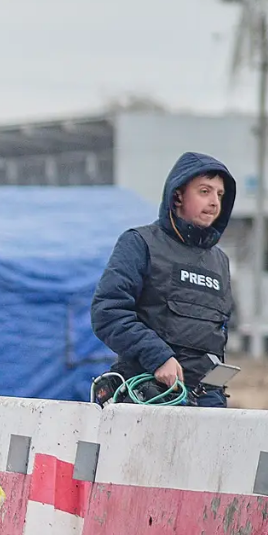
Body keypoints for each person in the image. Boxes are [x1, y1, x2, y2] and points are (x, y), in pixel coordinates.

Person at [91, 153, 236, 408]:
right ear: (178, 195)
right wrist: (157, 357)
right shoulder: (139, 243)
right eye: (204, 191)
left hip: (208, 400)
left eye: (220, 195)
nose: (214, 202)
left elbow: (217, 331)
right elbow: (108, 312)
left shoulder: (220, 261)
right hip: (149, 394)